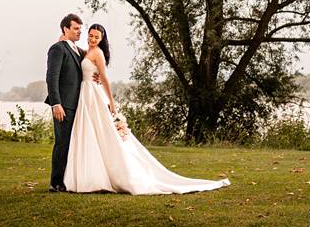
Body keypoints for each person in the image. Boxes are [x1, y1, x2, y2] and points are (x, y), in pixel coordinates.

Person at [63, 23, 231, 195]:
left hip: (94, 95)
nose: (92, 39)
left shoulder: (98, 53)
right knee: (89, 132)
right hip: (86, 94)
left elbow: (105, 79)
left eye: (96, 37)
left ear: (101, 39)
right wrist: (63, 38)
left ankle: (110, 175)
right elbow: (76, 54)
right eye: (90, 35)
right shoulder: (87, 51)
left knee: (101, 132)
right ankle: (89, 175)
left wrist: (112, 103)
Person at [44, 13, 84, 192]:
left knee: (73, 143)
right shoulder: (57, 49)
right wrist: (56, 103)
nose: (79, 32)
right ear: (65, 29)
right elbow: (51, 78)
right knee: (62, 143)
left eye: (80, 29)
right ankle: (56, 183)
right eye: (76, 29)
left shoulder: (77, 50)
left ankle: (69, 179)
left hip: (78, 105)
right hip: (63, 105)